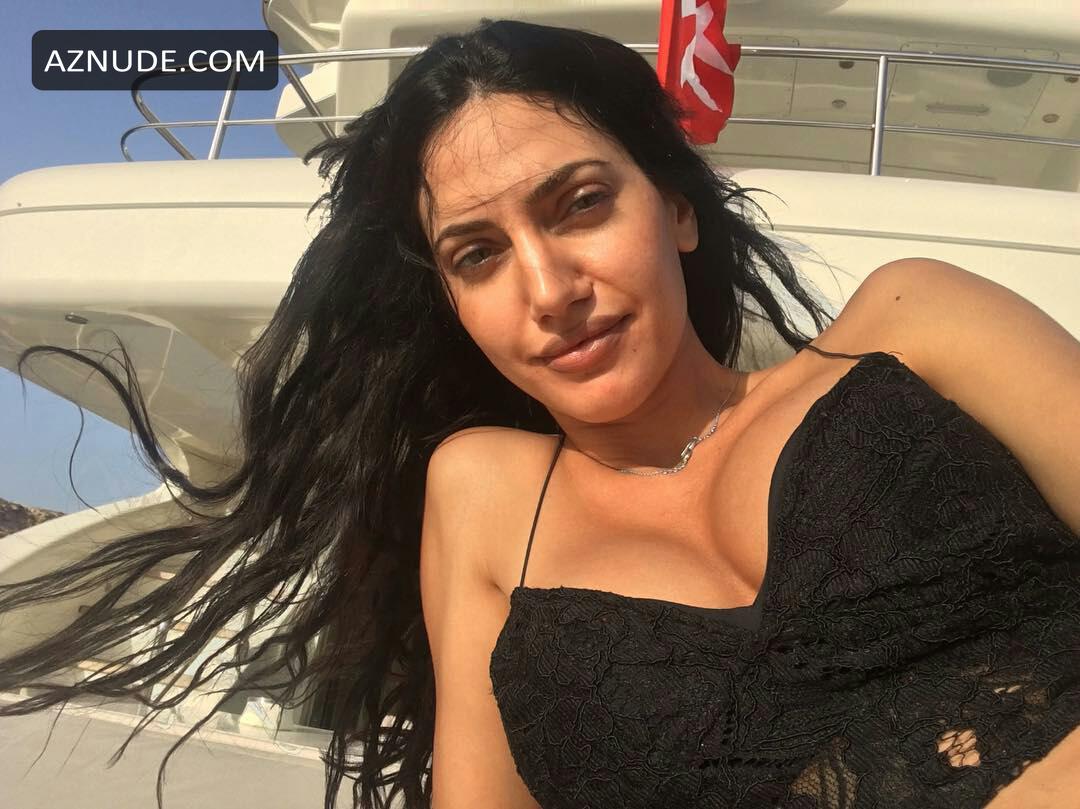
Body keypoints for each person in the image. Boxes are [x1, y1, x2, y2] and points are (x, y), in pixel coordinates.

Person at [1, 18, 1078, 809]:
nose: (550, 288)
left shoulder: (912, 324)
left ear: (679, 208)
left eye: (582, 204)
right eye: (479, 254)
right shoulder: (489, 495)